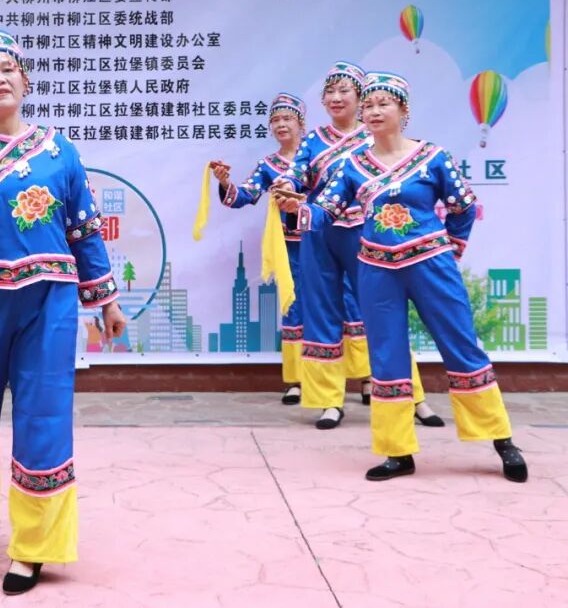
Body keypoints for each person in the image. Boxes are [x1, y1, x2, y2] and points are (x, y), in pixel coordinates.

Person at [0, 29, 126, 595]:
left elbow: (84, 229)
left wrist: (105, 299)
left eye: (7, 68)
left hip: (49, 299)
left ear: (26, 81)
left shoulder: (61, 152)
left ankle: (34, 546)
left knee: (44, 414)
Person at [296, 71, 526, 482]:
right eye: (368, 105)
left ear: (403, 110)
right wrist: (298, 207)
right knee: (386, 354)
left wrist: (450, 250)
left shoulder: (432, 156)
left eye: (383, 103)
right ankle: (397, 451)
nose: (373, 111)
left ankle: (502, 440)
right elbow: (325, 210)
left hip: (431, 264)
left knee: (461, 344)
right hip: (376, 270)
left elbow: (463, 207)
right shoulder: (352, 165)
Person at [275, 63, 442, 431]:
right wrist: (287, 186)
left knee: (383, 311)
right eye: (329, 92)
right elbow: (296, 173)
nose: (336, 98)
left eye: (344, 91)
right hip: (320, 232)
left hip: (367, 233)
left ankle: (413, 397)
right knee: (321, 314)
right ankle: (329, 401)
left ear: (361, 98)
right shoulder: (313, 140)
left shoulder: (375, 137)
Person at [213, 92, 306, 405]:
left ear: (301, 124)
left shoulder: (317, 158)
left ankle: (362, 377)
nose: (281, 125)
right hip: (289, 247)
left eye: (287, 118)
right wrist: (224, 182)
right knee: (293, 306)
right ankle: (295, 380)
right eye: (275, 120)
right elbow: (244, 196)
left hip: (324, 242)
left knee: (343, 303)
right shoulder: (269, 166)